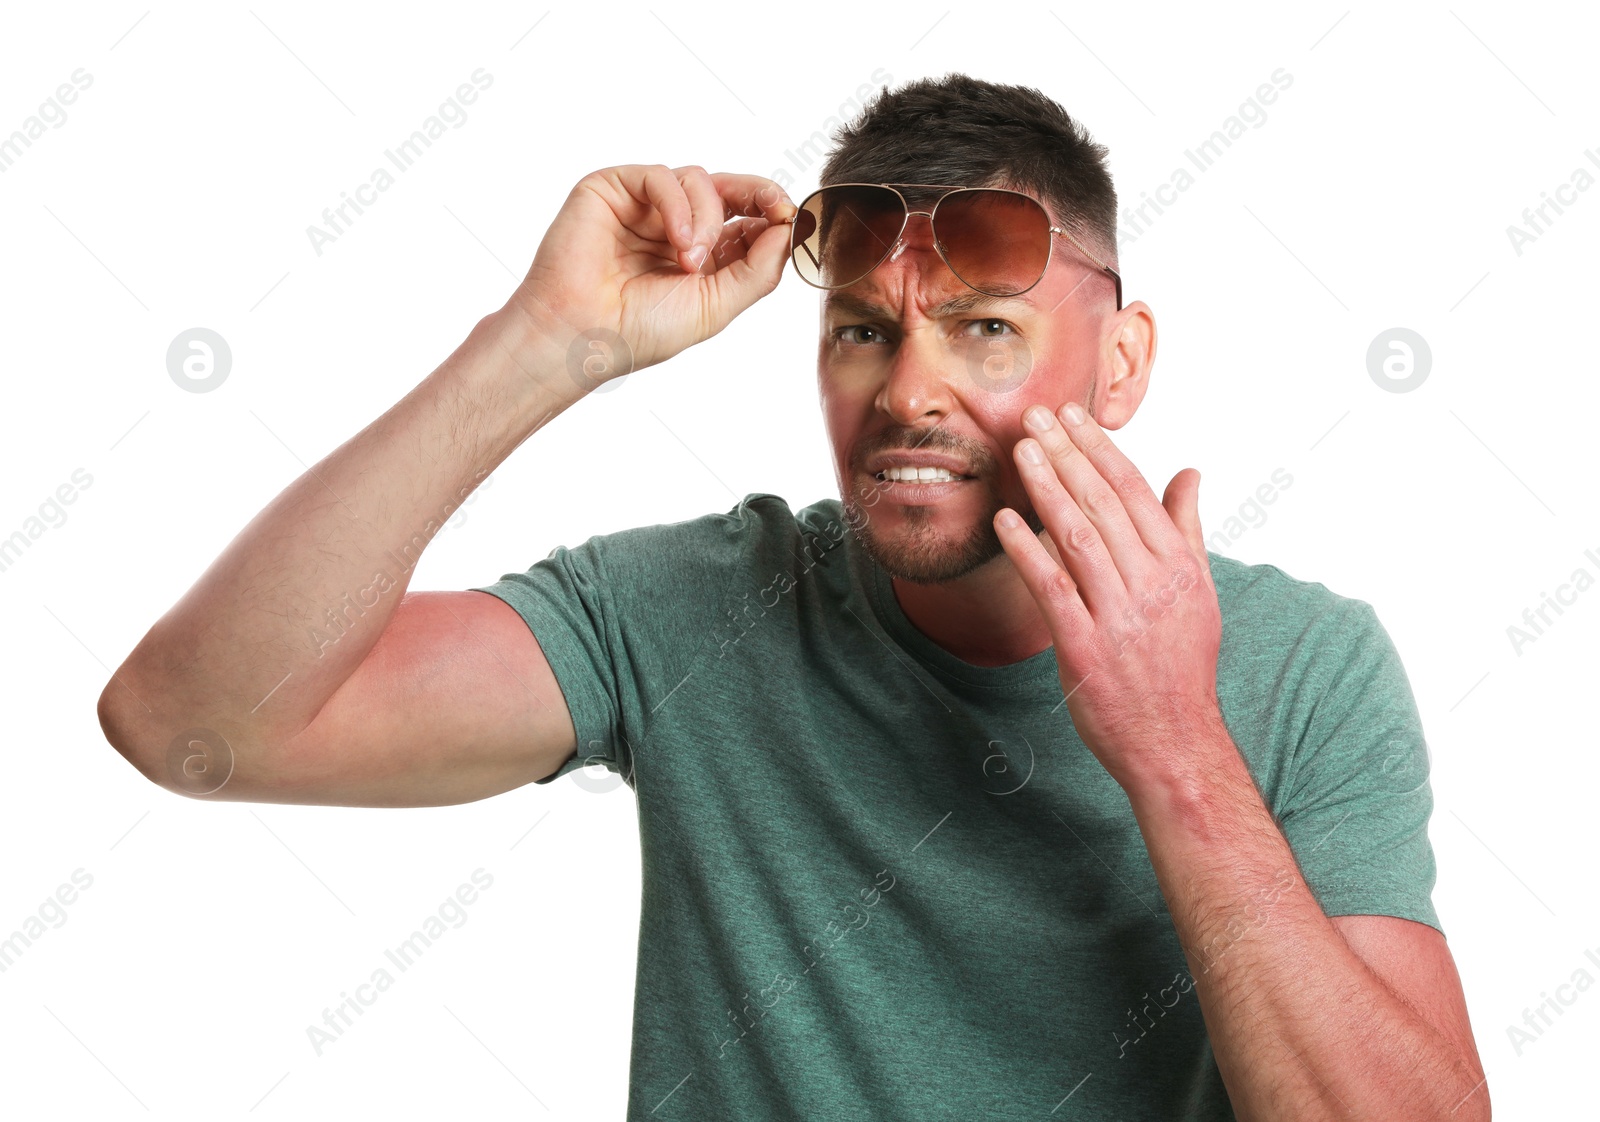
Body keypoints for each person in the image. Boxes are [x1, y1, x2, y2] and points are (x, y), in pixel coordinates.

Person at [97, 73, 1489, 1120]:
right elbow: (192, 723)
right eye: (864, 332)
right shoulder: (699, 609)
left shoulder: (1308, 668)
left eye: (984, 328)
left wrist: (1178, 748)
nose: (907, 389)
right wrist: (545, 345)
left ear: (1120, 365)